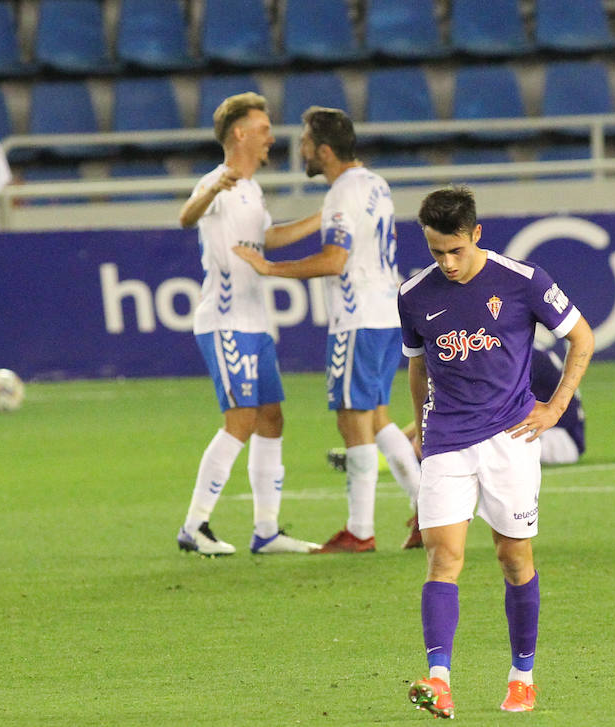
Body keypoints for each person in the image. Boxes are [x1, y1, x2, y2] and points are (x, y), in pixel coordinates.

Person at [401, 187, 594, 717]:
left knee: (514, 560)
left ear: (476, 234)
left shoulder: (524, 281)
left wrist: (554, 409)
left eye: (456, 250)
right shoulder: (413, 294)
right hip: (445, 440)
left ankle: (522, 676)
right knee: (443, 558)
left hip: (510, 441)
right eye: (437, 251)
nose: (447, 262)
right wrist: (420, 427)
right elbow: (418, 365)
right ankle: (439, 679)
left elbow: (583, 337)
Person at [234, 107, 425, 553]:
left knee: (351, 419)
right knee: (377, 417)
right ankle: (428, 511)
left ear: (323, 150)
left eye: (303, 142)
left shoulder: (343, 192)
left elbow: (334, 261)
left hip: (357, 316)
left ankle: (360, 532)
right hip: (385, 311)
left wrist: (269, 269)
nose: (298, 149)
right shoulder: (374, 183)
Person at [175, 92, 322, 556]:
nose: (270, 137)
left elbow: (267, 239)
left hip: (256, 323)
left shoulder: (253, 190)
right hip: (225, 322)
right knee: (239, 421)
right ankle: (194, 525)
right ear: (239, 133)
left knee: (271, 419)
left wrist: (323, 219)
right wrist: (212, 190)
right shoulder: (219, 180)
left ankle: (266, 530)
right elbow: (186, 216)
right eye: (262, 129)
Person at [326, 340, 586, 472]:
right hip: (541, 429)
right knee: (465, 430)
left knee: (475, 435)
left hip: (560, 439)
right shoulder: (513, 348)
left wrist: (406, 437)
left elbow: (487, 409)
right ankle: (387, 456)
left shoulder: (520, 356)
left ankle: (383, 459)